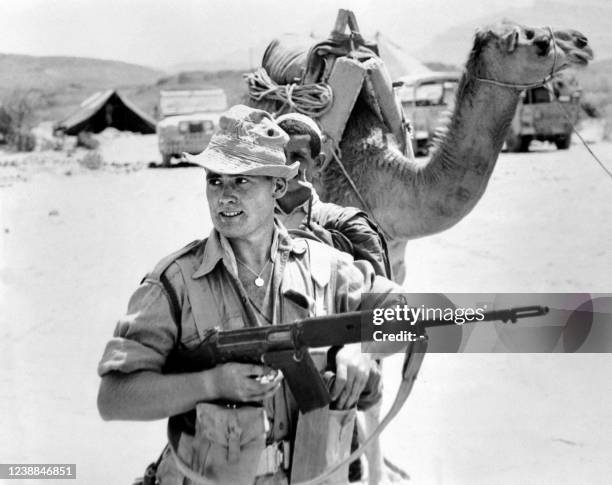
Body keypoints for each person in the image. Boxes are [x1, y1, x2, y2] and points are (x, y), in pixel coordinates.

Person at [96, 105, 406, 485]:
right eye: (215, 181)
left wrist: (363, 350)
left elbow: (407, 318)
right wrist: (211, 384)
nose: (224, 197)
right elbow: (112, 398)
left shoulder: (327, 267)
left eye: (242, 181)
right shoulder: (173, 282)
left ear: (277, 186)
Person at [275, 113, 402, 485]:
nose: (289, 166)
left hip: (337, 381)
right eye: (279, 156)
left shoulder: (347, 225)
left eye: (299, 155)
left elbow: (386, 314)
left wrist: (361, 351)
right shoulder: (252, 225)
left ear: (319, 163)